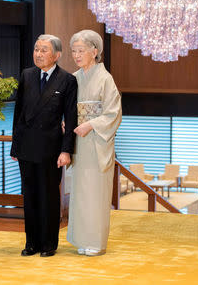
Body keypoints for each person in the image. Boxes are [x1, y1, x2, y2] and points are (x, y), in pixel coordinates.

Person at [11, 34, 78, 257]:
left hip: (51, 148)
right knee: (29, 196)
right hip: (27, 147)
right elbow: (18, 113)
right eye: (36, 49)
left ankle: (49, 244)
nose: (38, 54)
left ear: (57, 55)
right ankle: (31, 243)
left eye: (44, 50)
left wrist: (66, 150)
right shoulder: (27, 75)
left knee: (49, 196)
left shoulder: (67, 80)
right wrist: (15, 146)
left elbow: (71, 119)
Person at [67, 29, 122, 256]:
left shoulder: (105, 79)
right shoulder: (75, 78)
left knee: (96, 193)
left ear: (95, 51)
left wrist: (89, 125)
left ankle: (97, 242)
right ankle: (82, 238)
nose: (76, 55)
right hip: (79, 143)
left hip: (96, 142)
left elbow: (113, 113)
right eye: (73, 51)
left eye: (81, 50)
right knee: (80, 192)